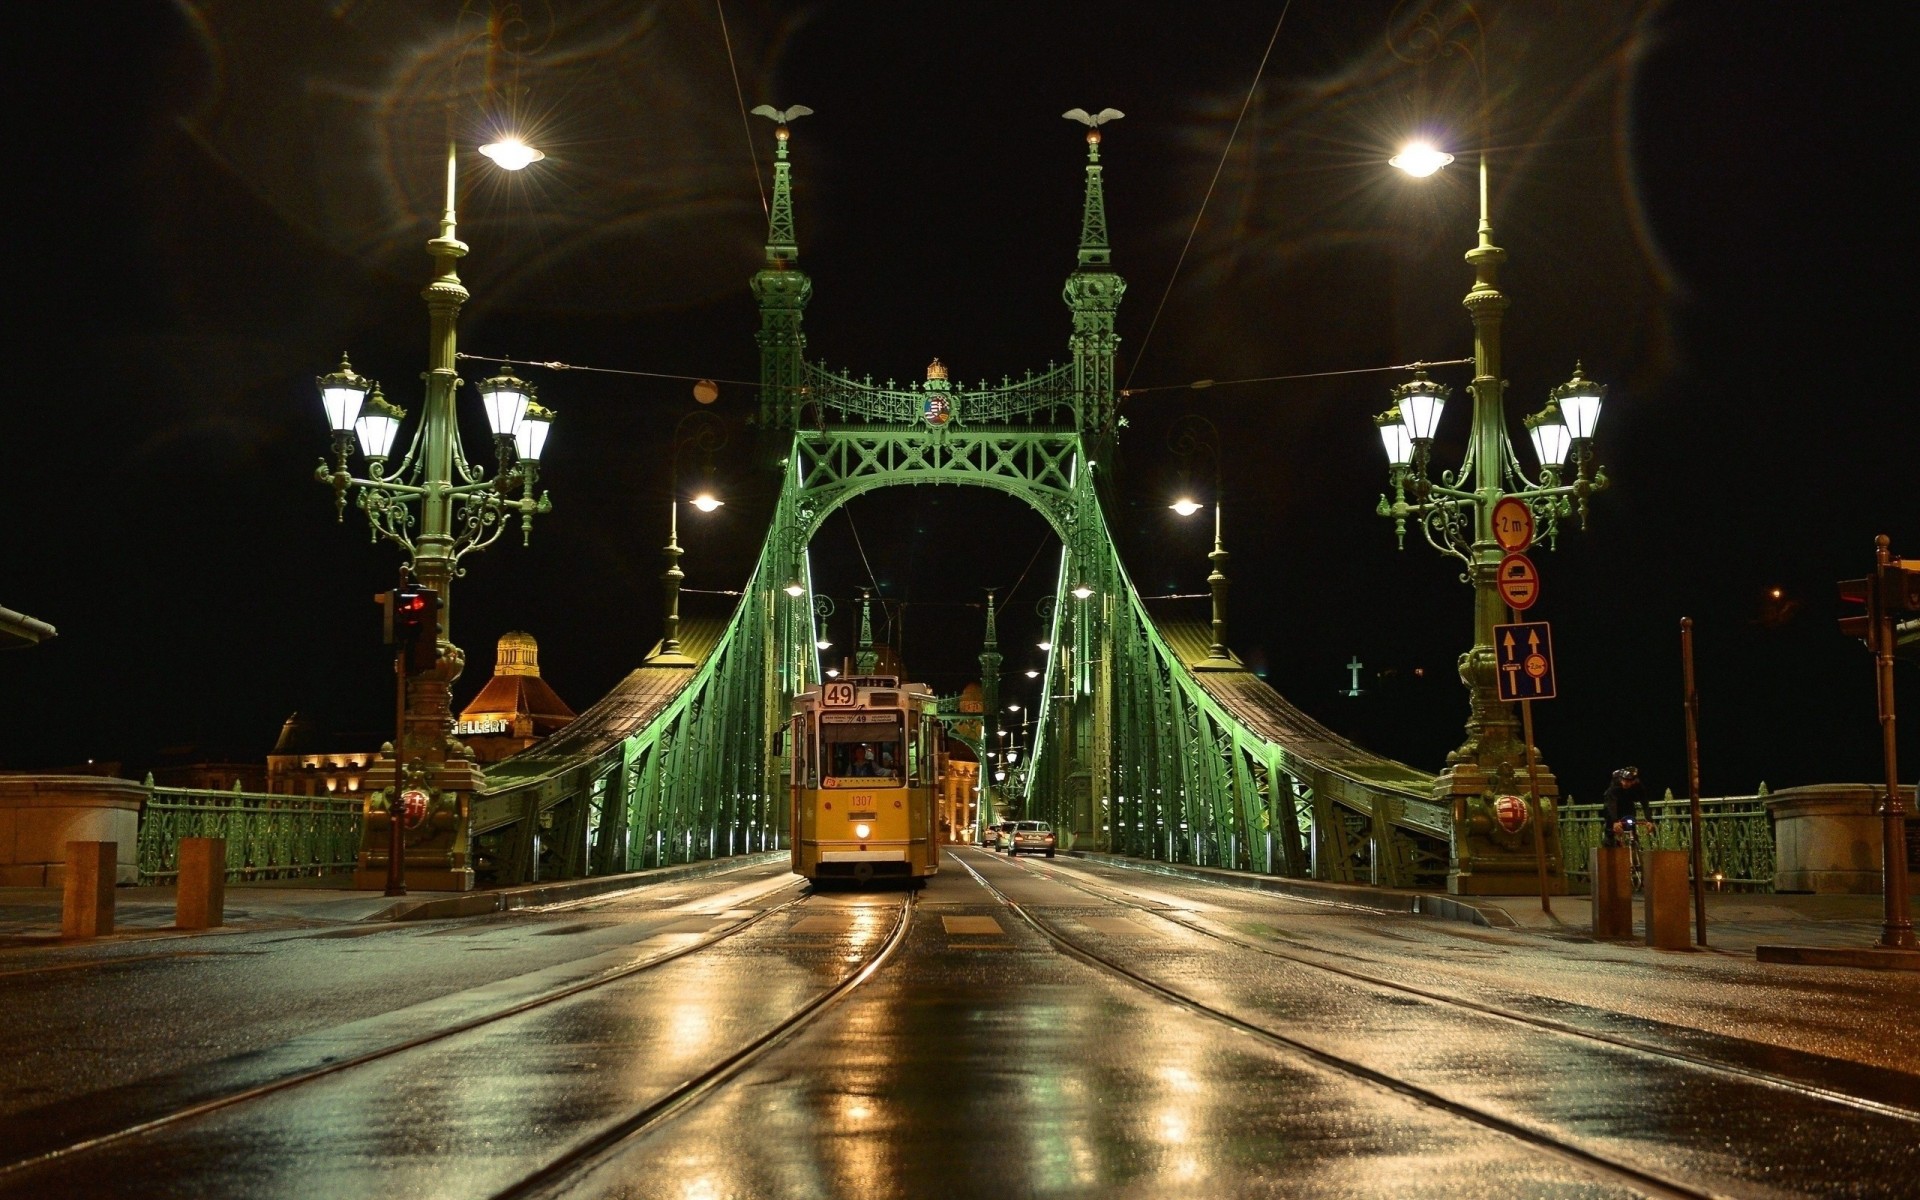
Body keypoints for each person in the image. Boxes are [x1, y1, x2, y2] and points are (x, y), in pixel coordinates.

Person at [1601, 766, 1653, 847]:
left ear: (1634, 781)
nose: (1625, 783)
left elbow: (1645, 803)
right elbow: (1612, 804)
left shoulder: (1638, 785)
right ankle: (1609, 838)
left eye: (1628, 781)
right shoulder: (1616, 783)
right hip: (1613, 801)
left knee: (1630, 821)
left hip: (1627, 801)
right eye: (1623, 780)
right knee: (1611, 824)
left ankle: (1634, 842)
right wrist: (1615, 821)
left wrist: (1649, 820)